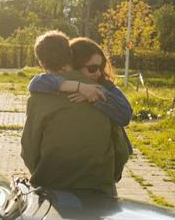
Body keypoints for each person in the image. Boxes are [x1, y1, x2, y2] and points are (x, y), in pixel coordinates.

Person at [21, 31, 120, 195]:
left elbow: (29, 150)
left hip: (53, 189)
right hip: (100, 189)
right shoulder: (99, 89)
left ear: (41, 63)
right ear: (70, 55)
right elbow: (119, 146)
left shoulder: (39, 97)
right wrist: (109, 177)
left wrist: (43, 174)